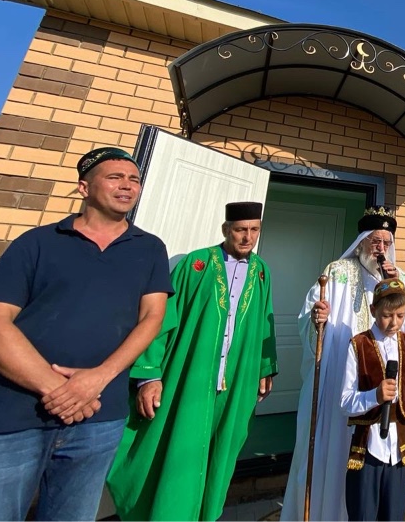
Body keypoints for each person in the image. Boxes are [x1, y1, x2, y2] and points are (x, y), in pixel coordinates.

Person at [0, 147, 171, 521]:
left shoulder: (150, 249)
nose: (127, 185)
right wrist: (62, 390)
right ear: (83, 187)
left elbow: (152, 319)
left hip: (99, 418)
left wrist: (97, 380)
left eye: (134, 179)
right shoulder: (37, 243)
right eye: (115, 177)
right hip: (13, 417)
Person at [107, 201, 278, 521]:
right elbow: (161, 319)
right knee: (176, 449)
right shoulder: (197, 264)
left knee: (220, 451)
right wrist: (149, 374)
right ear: (226, 229)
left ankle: (204, 516)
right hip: (189, 378)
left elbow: (264, 321)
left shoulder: (262, 271)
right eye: (240, 230)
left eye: (254, 230)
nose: (248, 237)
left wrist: (264, 369)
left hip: (235, 383)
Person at [281, 207, 405, 521]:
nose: (381, 249)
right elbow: (310, 318)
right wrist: (317, 320)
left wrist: (398, 287)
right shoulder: (336, 273)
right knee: (334, 455)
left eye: (386, 242)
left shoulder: (401, 278)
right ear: (361, 243)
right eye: (375, 241)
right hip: (339, 385)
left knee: (375, 472)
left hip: (383, 392)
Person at [341, 279, 405, 521]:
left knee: (394, 515)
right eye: (387, 316)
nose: (394, 323)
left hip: (400, 451)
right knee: (363, 515)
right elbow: (345, 402)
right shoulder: (358, 345)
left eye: (400, 315)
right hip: (368, 451)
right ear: (373, 310)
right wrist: (374, 396)